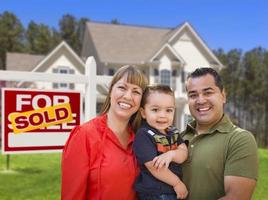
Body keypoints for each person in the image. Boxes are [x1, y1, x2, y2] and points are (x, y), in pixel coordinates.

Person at [61, 65, 148, 200]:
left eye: (136, 92)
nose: (128, 96)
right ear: (110, 90)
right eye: (122, 88)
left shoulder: (141, 139)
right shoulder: (84, 135)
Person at [182, 67, 258, 200]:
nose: (200, 100)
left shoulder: (239, 139)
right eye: (193, 95)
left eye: (208, 93)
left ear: (223, 96)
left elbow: (236, 197)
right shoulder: (179, 138)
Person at [133, 85, 188, 200]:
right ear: (143, 113)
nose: (162, 115)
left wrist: (172, 154)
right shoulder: (144, 134)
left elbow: (183, 152)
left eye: (168, 110)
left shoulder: (173, 132)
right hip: (154, 193)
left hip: (172, 191)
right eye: (155, 110)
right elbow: (154, 167)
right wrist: (177, 183)